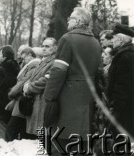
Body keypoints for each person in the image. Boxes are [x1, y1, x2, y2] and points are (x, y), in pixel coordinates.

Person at [43, 7, 102, 155]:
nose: (68, 20)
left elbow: (58, 71)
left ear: (79, 21)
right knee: (81, 146)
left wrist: (49, 96)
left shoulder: (67, 39)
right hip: (87, 101)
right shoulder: (95, 42)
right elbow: (99, 72)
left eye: (71, 17)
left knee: (59, 144)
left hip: (67, 101)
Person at [22, 37, 57, 136]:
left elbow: (46, 80)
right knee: (39, 136)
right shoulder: (43, 60)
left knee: (43, 136)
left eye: (47, 46)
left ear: (55, 48)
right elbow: (34, 76)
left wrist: (29, 87)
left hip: (43, 102)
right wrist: (27, 84)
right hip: (37, 101)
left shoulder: (54, 62)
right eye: (43, 46)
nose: (44, 48)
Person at [5, 47, 41, 141]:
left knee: (11, 129)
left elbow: (23, 82)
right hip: (21, 99)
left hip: (22, 100)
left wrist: (11, 93)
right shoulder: (31, 65)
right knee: (22, 130)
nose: (22, 59)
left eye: (24, 57)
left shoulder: (34, 65)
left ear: (30, 55)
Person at [107, 23, 134, 141]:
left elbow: (123, 87)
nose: (111, 41)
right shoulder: (126, 54)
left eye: (113, 37)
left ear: (121, 39)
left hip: (124, 112)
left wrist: (115, 109)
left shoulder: (125, 56)